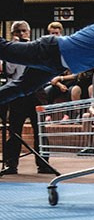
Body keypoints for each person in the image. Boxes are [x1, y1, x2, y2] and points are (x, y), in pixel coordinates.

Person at [1, 21, 54, 175]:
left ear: (29, 32)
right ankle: (11, 164)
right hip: (17, 94)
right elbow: (9, 70)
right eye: (17, 31)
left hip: (36, 93)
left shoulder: (35, 49)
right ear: (13, 34)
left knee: (40, 131)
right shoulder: (10, 51)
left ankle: (43, 164)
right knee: (14, 130)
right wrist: (15, 50)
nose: (21, 34)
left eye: (24, 31)